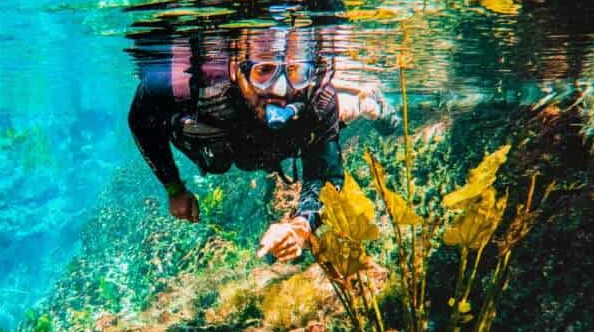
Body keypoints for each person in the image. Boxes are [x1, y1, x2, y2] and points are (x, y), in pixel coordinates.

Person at [128, 26, 398, 262]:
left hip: (281, 144)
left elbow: (325, 175)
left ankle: (366, 103)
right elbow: (141, 122)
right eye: (264, 71)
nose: (280, 90)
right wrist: (173, 187)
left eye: (295, 71)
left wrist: (301, 226)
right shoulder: (187, 85)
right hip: (236, 147)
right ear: (236, 69)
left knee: (336, 111)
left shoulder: (314, 98)